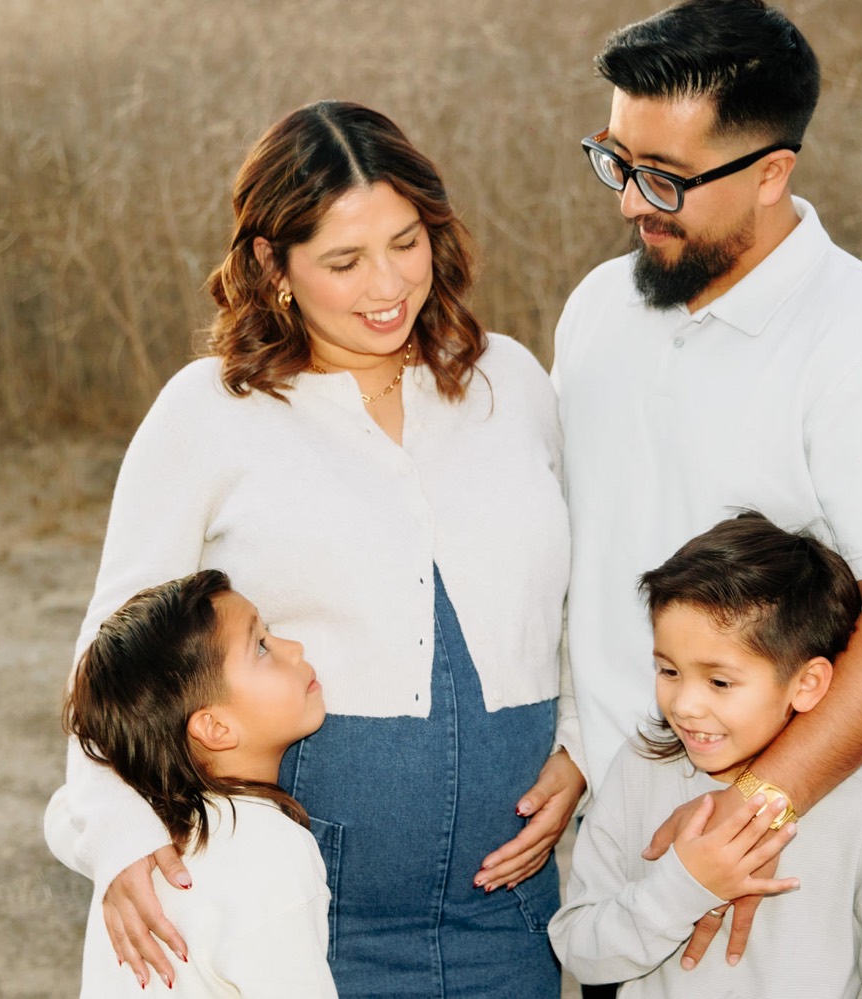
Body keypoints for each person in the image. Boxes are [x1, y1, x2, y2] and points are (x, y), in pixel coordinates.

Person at [43, 101, 582, 998]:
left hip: (512, 916)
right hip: (311, 925)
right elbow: (111, 649)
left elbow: (582, 604)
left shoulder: (514, 383)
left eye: (406, 243)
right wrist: (118, 831)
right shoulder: (208, 412)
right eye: (343, 260)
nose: (388, 285)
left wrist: (582, 750)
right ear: (271, 262)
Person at [553, 0, 862, 971]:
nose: (629, 202)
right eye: (616, 162)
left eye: (663, 179)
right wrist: (582, 746)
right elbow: (594, 553)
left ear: (772, 172)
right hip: (624, 856)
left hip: (791, 859)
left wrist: (752, 813)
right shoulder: (594, 314)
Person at [549, 514, 862, 997]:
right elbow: (579, 949)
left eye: (719, 681)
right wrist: (682, 888)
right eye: (668, 671)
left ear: (806, 684)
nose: (684, 704)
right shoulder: (637, 773)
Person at [63, 570, 336, 997]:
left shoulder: (130, 848)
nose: (295, 648)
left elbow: (63, 812)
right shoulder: (271, 853)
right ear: (215, 727)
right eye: (261, 647)